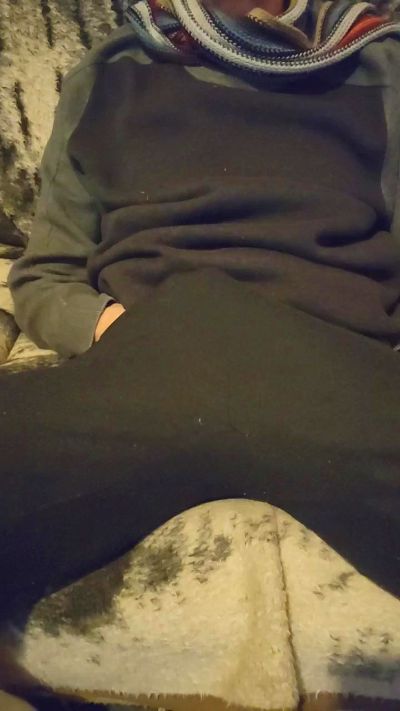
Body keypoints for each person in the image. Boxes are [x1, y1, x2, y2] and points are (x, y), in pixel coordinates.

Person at [1, 0, 400, 656]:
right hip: (153, 353)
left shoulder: (380, 67)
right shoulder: (109, 72)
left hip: (334, 355)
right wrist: (117, 329)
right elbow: (46, 274)